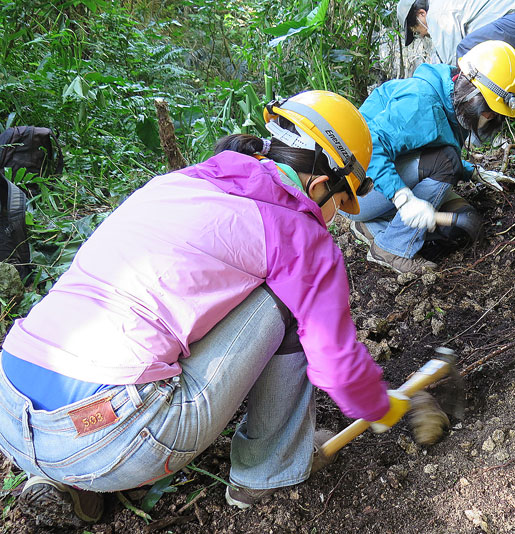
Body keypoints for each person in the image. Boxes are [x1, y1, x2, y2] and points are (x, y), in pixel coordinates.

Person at [0, 90, 411, 526]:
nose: (332, 217)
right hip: (117, 434)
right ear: (320, 184)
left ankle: (62, 476)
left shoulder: (179, 184)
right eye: (338, 204)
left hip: (10, 405)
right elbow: (337, 368)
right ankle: (266, 474)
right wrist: (386, 407)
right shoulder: (297, 231)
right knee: (287, 299)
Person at [345, 40, 515, 275]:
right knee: (447, 162)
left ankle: (374, 225)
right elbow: (372, 148)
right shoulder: (419, 103)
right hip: (357, 190)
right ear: (473, 91)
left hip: (381, 184)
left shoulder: (453, 99)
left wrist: (474, 172)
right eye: (489, 111)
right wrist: (404, 200)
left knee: (459, 225)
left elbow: (425, 149)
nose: (489, 117)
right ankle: (391, 248)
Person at [397, 0, 515, 71]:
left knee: (465, 54)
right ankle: (506, 119)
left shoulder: (437, 13)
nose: (423, 35)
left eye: (417, 32)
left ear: (421, 14)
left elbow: (451, 66)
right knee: (506, 67)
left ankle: (481, 132)